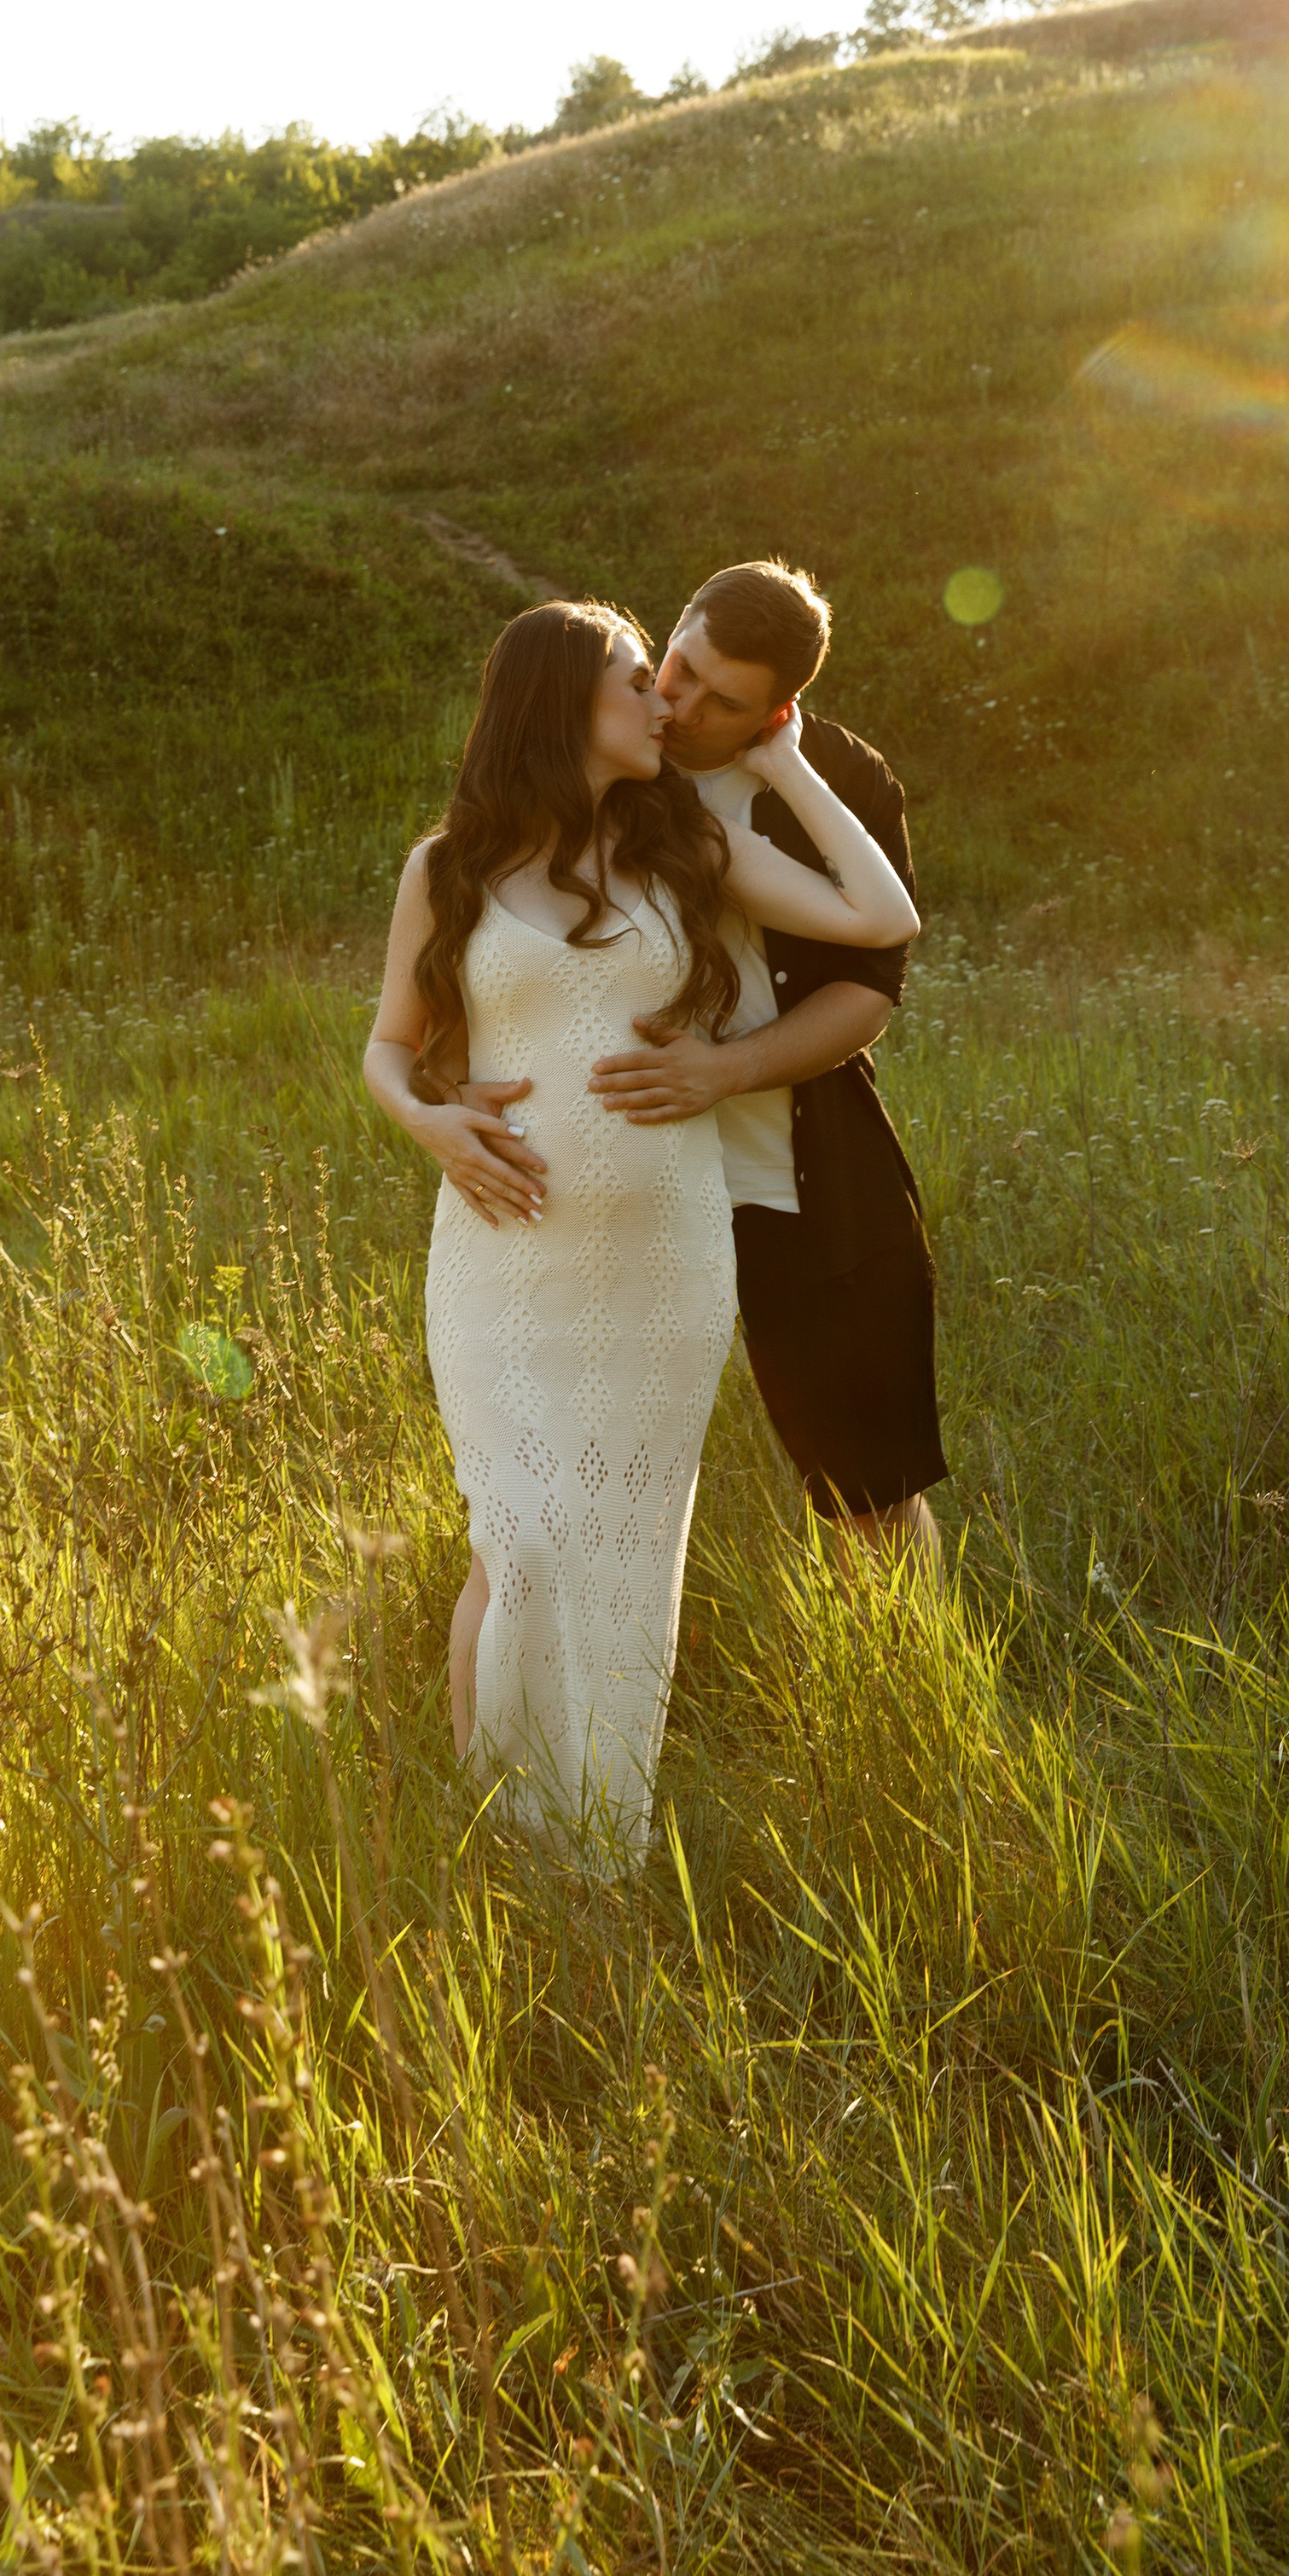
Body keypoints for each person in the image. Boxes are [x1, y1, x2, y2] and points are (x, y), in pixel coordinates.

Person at [362, 599, 920, 1847]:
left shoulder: (685, 851)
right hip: (506, 1255)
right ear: (563, 703)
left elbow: (880, 921)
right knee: (514, 1536)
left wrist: (781, 760)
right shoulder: (446, 867)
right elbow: (390, 1052)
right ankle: (492, 1826)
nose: (661, 702)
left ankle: (597, 1835)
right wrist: (430, 1122)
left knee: (615, 1543)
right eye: (636, 678)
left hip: (665, 1257)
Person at [467, 560, 944, 1564]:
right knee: (585, 1478)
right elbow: (485, 940)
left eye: (721, 701)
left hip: (795, 1177)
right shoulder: (603, 760)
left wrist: (725, 1071)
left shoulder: (845, 782)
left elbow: (872, 981)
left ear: (778, 709)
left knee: (868, 1487)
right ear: (673, 627)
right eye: (675, 668)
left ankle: (901, 1691)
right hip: (617, 1182)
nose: (676, 706)